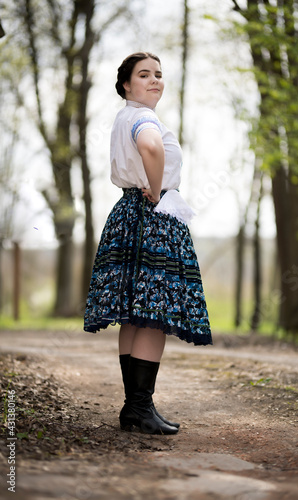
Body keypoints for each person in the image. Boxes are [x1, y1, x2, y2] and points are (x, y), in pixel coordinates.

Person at [84, 52, 212, 435]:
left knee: (134, 313)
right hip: (152, 216)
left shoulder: (124, 116)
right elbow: (152, 148)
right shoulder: (143, 117)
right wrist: (157, 193)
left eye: (159, 74)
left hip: (127, 212)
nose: (155, 80)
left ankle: (134, 408)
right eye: (144, 75)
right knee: (155, 313)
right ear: (126, 84)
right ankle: (139, 407)